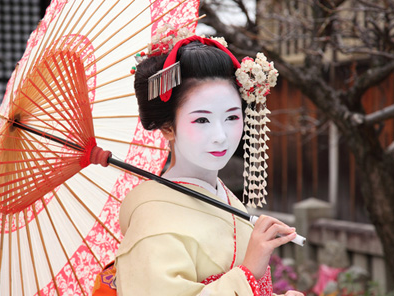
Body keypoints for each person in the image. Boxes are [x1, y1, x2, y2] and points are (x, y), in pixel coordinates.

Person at [114, 34, 304, 296]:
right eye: (202, 120)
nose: (221, 135)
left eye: (232, 117)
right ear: (168, 127)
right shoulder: (152, 222)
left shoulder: (223, 197)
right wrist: (247, 273)